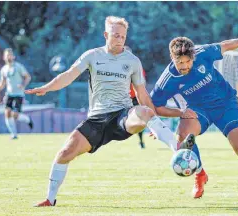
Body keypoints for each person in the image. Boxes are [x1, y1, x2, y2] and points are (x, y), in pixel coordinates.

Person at [26, 16, 192, 207]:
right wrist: (46, 88)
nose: (120, 39)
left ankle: (177, 148)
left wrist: (153, 121)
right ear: (106, 35)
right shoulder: (92, 55)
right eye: (115, 36)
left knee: (144, 111)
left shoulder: (132, 61)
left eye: (123, 36)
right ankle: (50, 199)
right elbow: (68, 76)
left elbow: (142, 94)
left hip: (122, 115)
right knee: (64, 153)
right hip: (96, 120)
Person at [150, 28, 238, 204]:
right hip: (199, 110)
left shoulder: (203, 53)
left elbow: (224, 46)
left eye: (188, 61)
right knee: (183, 136)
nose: (185, 66)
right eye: (180, 63)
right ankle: (199, 174)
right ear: (173, 59)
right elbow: (155, 106)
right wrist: (173, 116)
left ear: (193, 56)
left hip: (226, 104)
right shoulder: (167, 80)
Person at [0, 48, 33, 139]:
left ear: (13, 56)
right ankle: (14, 134)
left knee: (15, 115)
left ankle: (28, 119)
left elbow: (27, 77)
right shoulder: (3, 69)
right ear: (4, 57)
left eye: (10, 55)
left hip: (19, 94)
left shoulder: (18, 67)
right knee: (7, 113)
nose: (9, 57)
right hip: (9, 94)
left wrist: (23, 85)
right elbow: (2, 83)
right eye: (7, 55)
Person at [125, 45, 147, 149]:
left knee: (139, 119)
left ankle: (141, 141)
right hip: (122, 98)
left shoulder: (136, 65)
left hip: (134, 97)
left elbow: (142, 82)